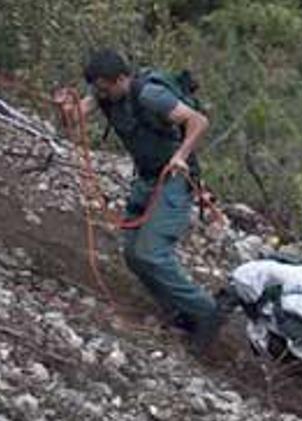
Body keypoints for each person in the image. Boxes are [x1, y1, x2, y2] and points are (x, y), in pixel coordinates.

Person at [54, 49, 221, 352]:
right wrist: (64, 109)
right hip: (146, 178)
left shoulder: (150, 96)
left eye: (104, 87)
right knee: (133, 253)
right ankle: (179, 310)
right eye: (97, 88)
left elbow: (198, 121)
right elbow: (73, 120)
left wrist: (181, 156)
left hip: (174, 179)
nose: (100, 93)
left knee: (152, 252)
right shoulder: (105, 94)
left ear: (120, 79)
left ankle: (207, 312)